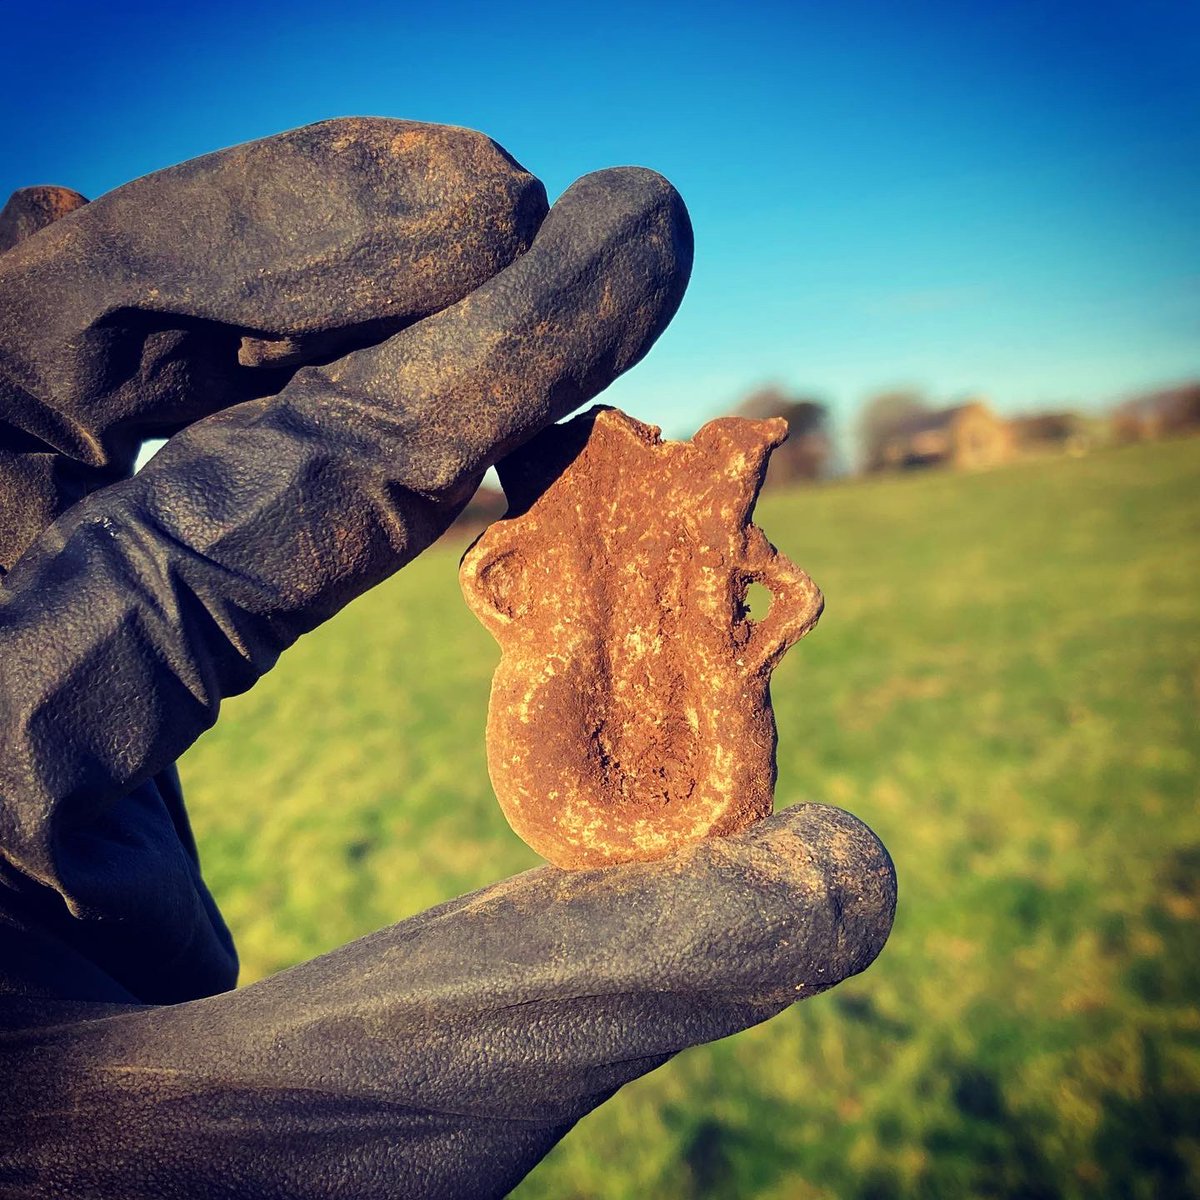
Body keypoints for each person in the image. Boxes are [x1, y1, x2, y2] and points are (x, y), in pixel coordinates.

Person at [0, 118, 895, 1199]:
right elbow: (506, 574)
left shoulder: (701, 523)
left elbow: (783, 592)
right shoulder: (569, 550)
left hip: (672, 710)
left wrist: (750, 647)